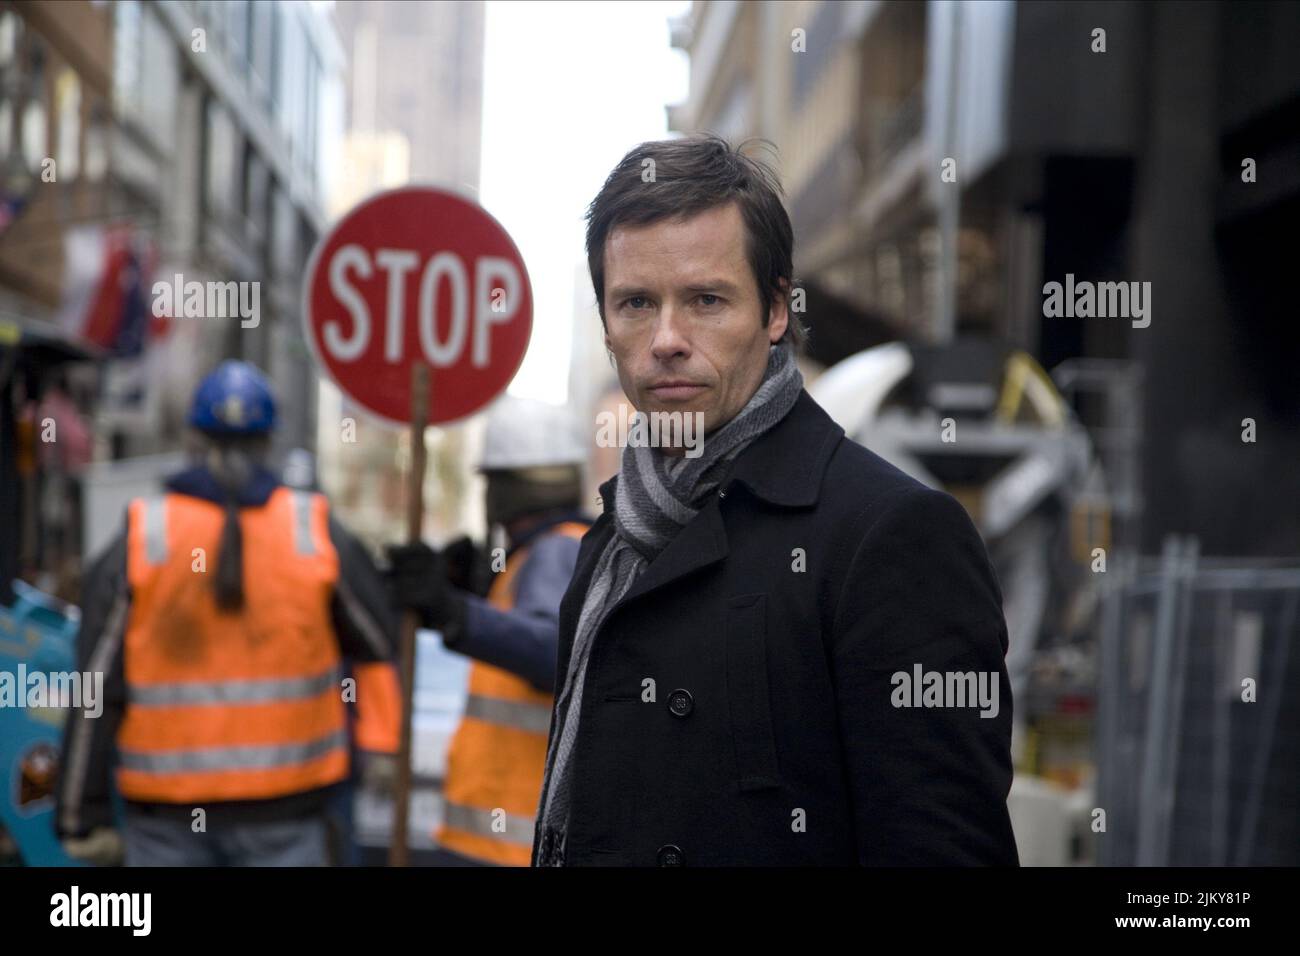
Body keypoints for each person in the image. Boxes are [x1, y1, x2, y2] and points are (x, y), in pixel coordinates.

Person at [531, 135, 1020, 866]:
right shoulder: (612, 541)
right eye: (636, 302)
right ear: (606, 323)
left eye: (705, 300)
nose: (666, 339)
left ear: (774, 312)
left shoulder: (891, 535)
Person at [54, 361, 400, 866]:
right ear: (270, 440)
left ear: (194, 437)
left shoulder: (146, 535)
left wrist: (79, 814)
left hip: (168, 821)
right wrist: (383, 748)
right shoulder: (312, 532)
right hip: (287, 817)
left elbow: (95, 685)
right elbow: (378, 644)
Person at [388, 396, 590, 866]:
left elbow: (550, 653)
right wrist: (477, 592)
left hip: (507, 845)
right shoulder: (550, 552)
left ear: (502, 489)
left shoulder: (552, 553)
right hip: (502, 839)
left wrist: (454, 612)